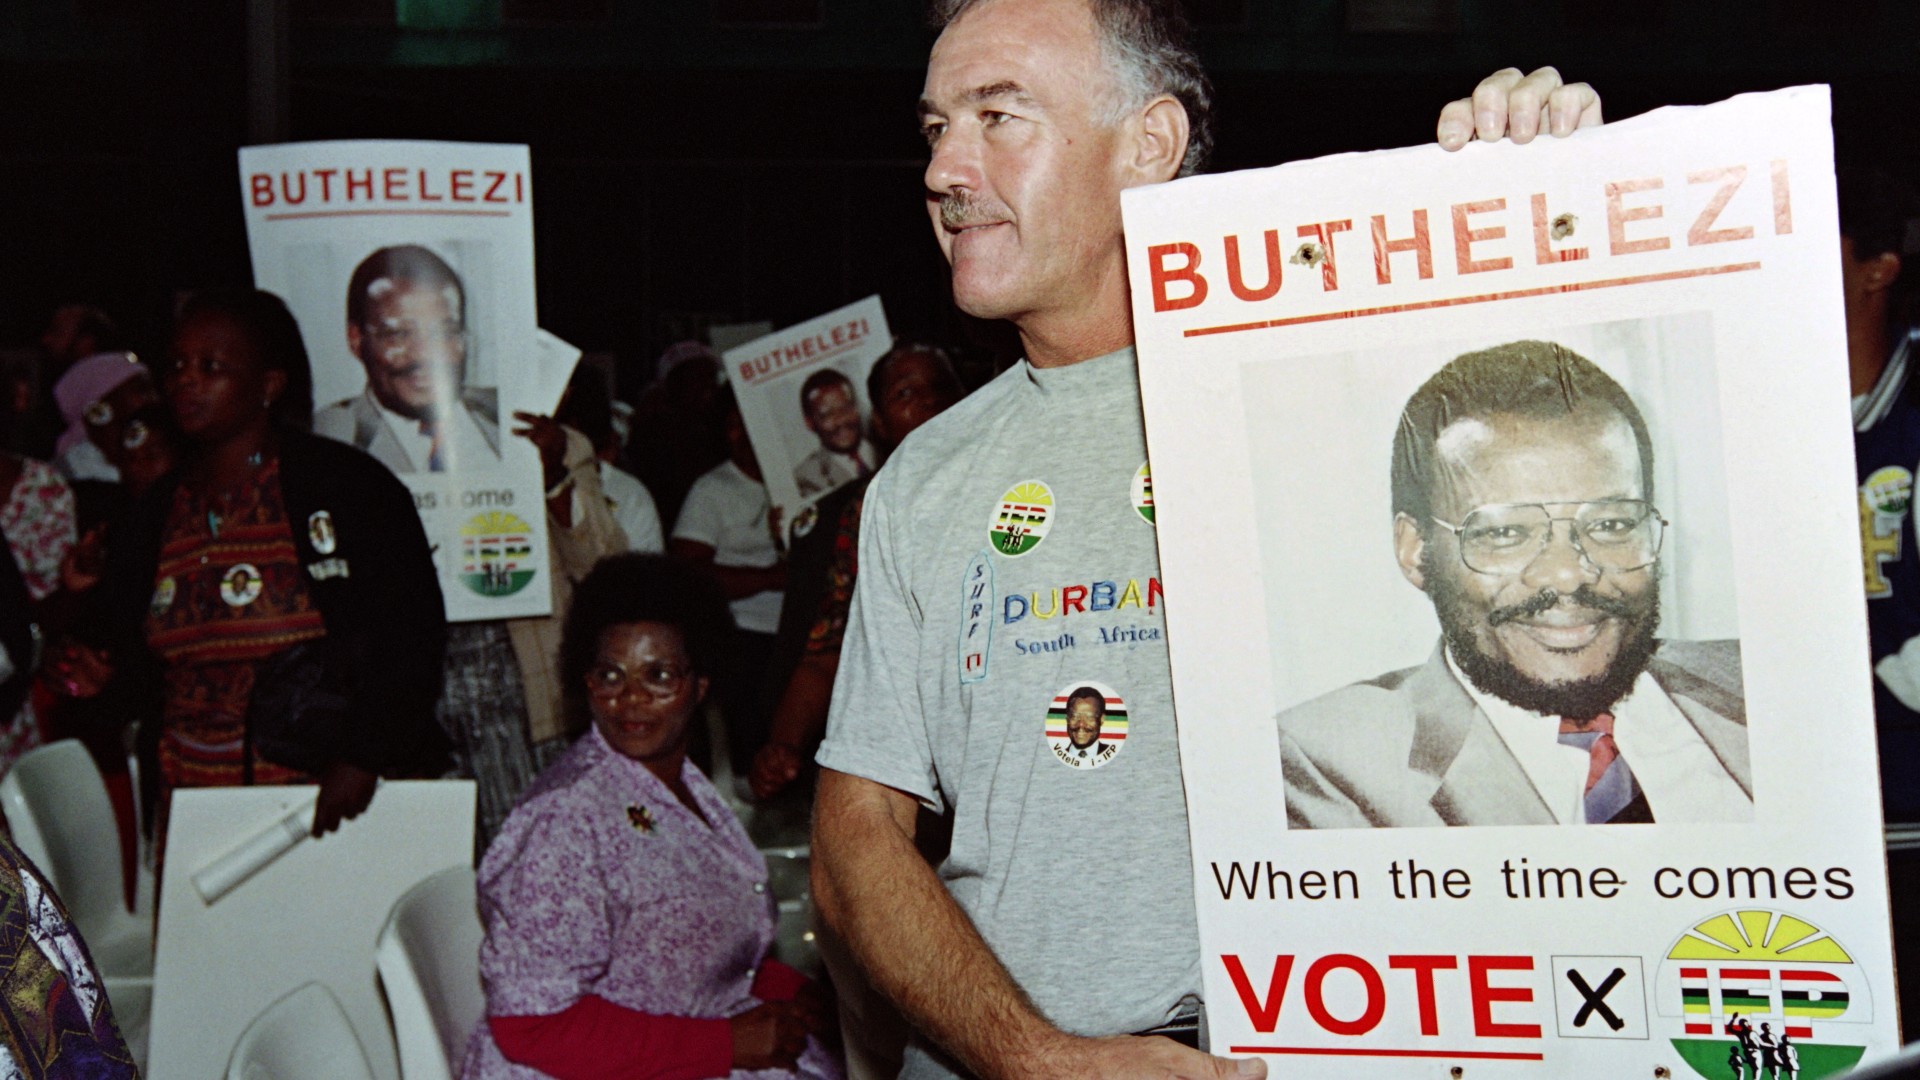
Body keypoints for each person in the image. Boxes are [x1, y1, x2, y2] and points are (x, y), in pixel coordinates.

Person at [808, 0, 1601, 1074]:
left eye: (998, 117)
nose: (946, 168)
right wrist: (1038, 1060)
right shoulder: (923, 481)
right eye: (936, 126)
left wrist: (1542, 186)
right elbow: (855, 841)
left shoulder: (1328, 396)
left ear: (1150, 146)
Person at [1277, 340, 1749, 828]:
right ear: (1415, 551)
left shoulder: (1758, 681)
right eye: (1505, 533)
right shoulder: (1321, 764)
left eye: (1609, 525)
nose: (1568, 573)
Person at [70, 287, 448, 845]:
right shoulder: (153, 514)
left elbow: (411, 635)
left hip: (326, 802)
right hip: (194, 805)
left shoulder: (347, 489)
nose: (185, 380)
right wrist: (103, 677)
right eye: (176, 366)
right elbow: (137, 666)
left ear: (268, 385)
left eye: (211, 366)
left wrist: (364, 756)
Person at [462, 554, 841, 1080]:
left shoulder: (677, 784)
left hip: (666, 1040)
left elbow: (683, 946)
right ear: (585, 680)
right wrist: (725, 1043)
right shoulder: (565, 821)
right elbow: (530, 1026)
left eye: (659, 675)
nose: (632, 698)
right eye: (609, 675)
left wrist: (787, 990)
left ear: (700, 684)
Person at [751, 343, 967, 804]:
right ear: (881, 425)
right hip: (902, 757)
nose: (929, 401)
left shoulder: (1013, 488)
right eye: (906, 392)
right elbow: (826, 649)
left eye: (940, 388)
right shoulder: (858, 514)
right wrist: (784, 745)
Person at [672, 387, 786, 775]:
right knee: (749, 754)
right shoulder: (712, 489)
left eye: (748, 425)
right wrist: (771, 578)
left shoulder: (805, 476)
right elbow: (689, 574)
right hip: (743, 635)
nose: (739, 436)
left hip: (804, 636)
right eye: (732, 427)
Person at [314, 244, 501, 473]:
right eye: (399, 334)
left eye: (444, 332)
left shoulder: (507, 412)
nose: (423, 354)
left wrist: (554, 480)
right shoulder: (326, 438)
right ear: (356, 340)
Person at [50, 352, 155, 486]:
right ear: (100, 406)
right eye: (141, 390)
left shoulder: (156, 451)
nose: (153, 398)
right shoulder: (61, 477)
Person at [792, 370, 875, 499]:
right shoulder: (807, 476)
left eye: (846, 408)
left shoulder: (885, 445)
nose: (841, 421)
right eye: (827, 415)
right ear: (810, 423)